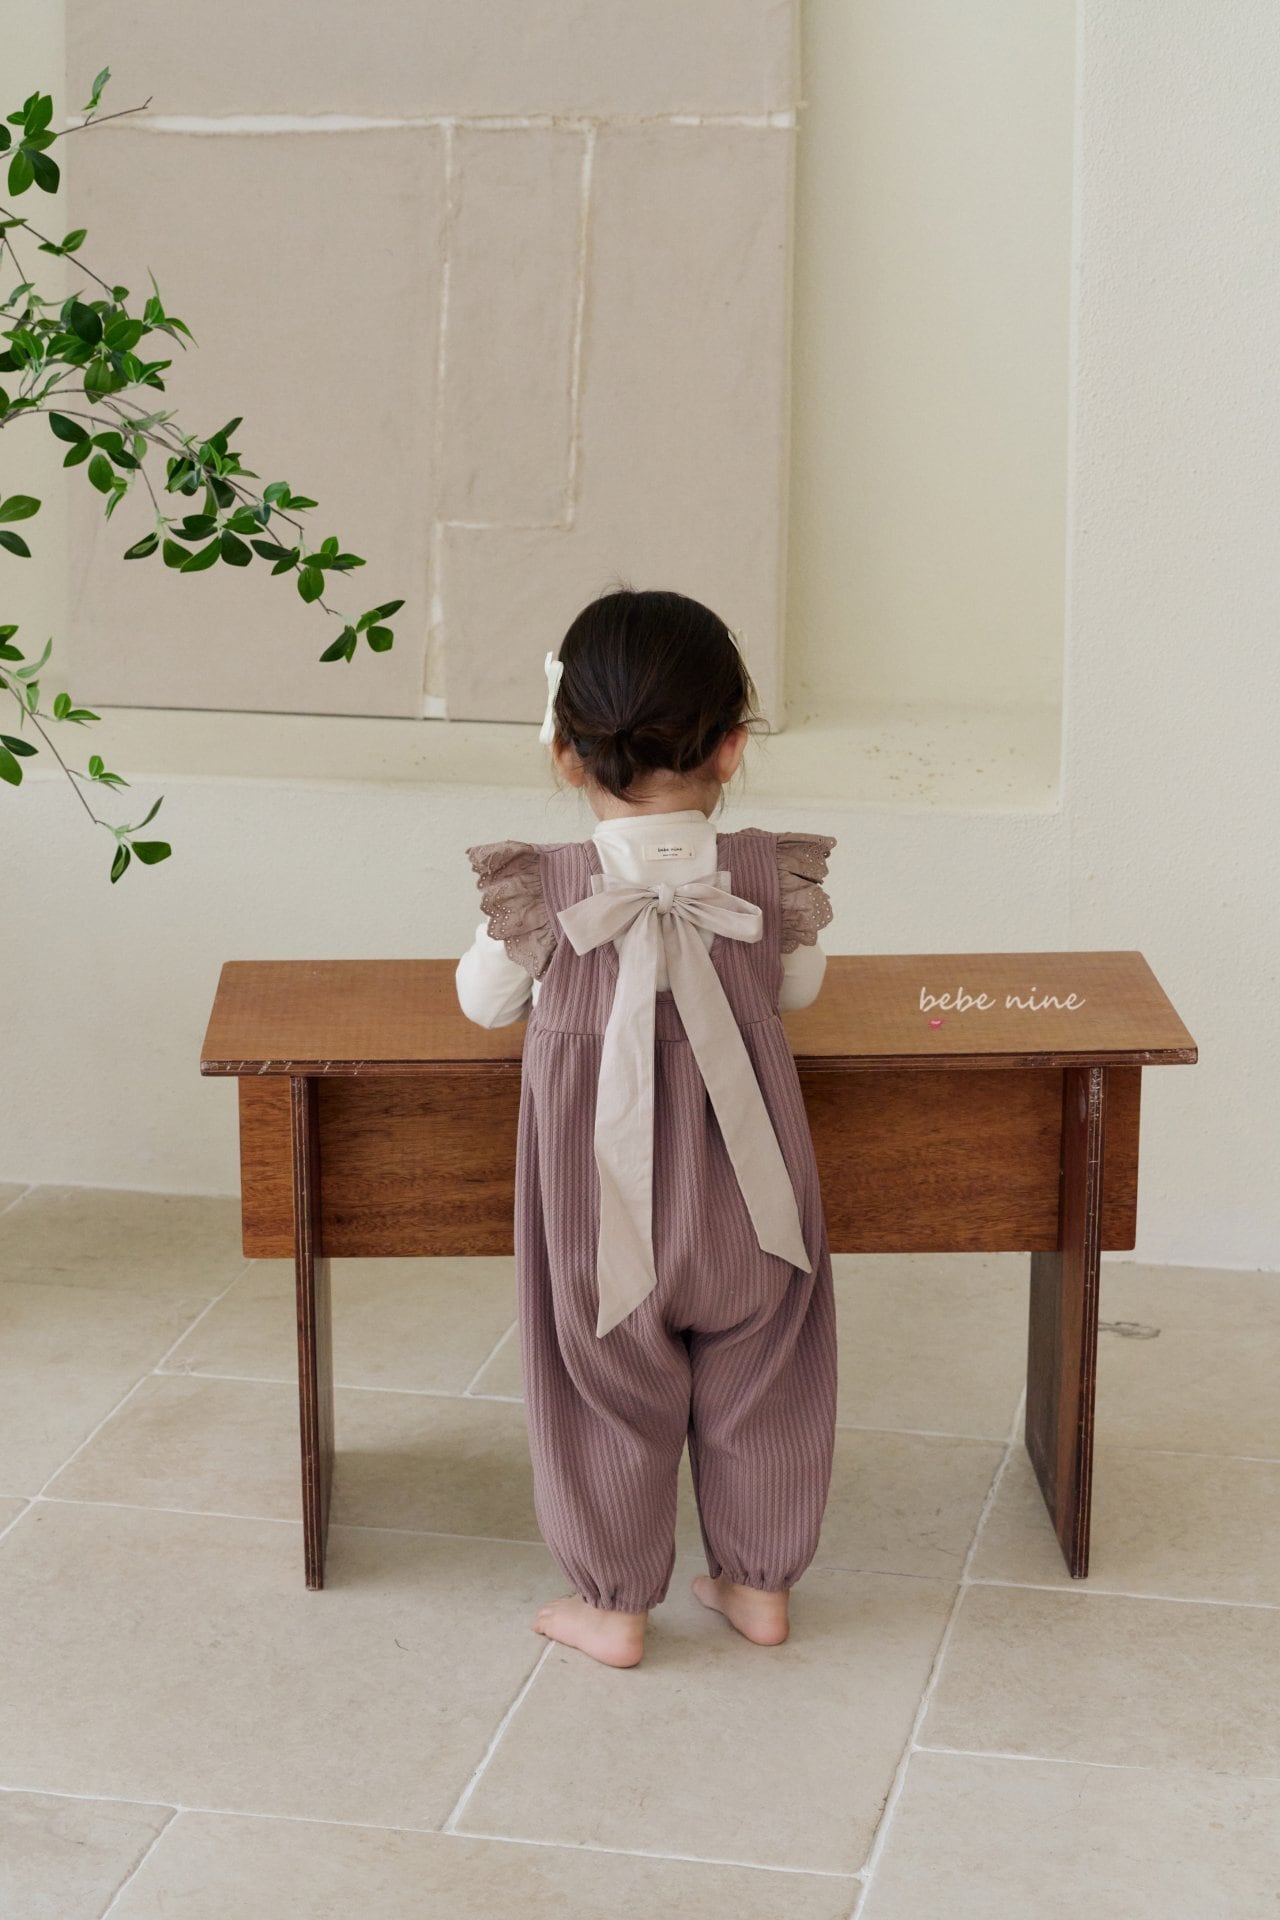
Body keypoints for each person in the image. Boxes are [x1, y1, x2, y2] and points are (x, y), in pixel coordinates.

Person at [455, 587, 837, 1669]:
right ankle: (758, 1586)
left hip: (602, 1208)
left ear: (565, 753)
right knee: (767, 1374)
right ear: (732, 746)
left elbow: (482, 1003)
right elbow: (801, 989)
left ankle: (615, 1606)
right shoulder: (761, 876)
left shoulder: (545, 891)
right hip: (752, 1200)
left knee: (600, 1386)